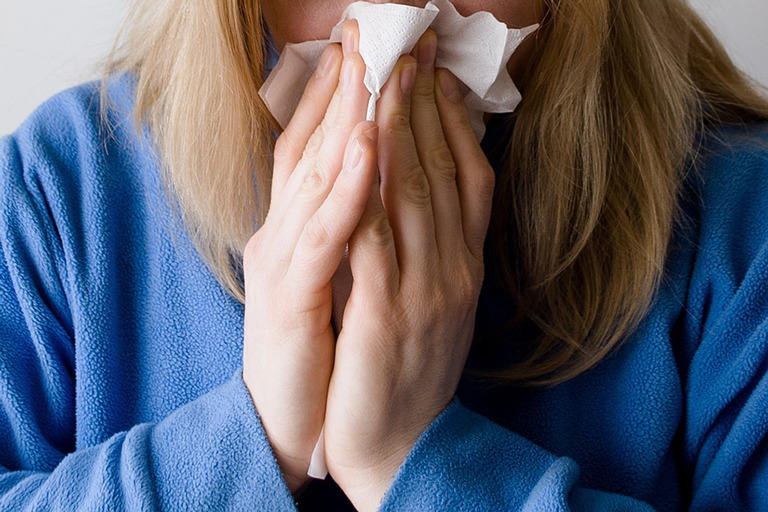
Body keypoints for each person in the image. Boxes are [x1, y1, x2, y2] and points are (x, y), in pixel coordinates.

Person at [1, 0, 767, 510]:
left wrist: (416, 459)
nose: (396, 14)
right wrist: (255, 435)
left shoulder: (740, 227)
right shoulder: (61, 189)